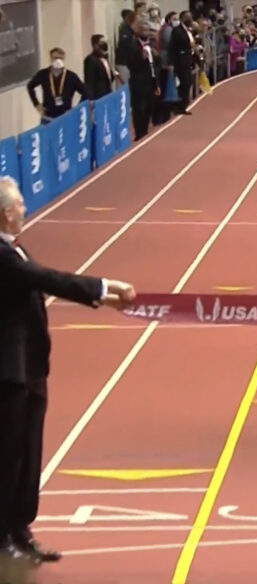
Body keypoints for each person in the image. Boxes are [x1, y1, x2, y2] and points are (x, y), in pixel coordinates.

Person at [0, 176, 136, 564]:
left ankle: (21, 528)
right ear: (6, 213)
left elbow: (37, 285)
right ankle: (2, 534)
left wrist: (105, 301)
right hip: (9, 372)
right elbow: (44, 279)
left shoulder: (15, 250)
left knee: (29, 451)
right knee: (9, 455)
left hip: (30, 367)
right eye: (21, 205)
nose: (26, 209)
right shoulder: (2, 255)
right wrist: (104, 284)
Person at [25, 48, 88, 124]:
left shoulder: (71, 76)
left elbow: (85, 92)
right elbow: (30, 86)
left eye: (60, 58)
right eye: (55, 58)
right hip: (48, 117)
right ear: (51, 59)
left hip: (66, 117)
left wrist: (76, 109)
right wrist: (37, 105)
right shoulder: (43, 74)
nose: (58, 60)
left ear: (64, 59)